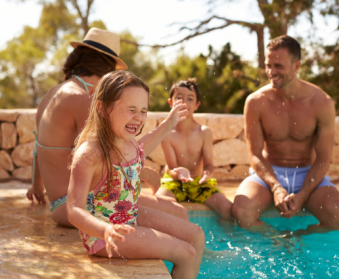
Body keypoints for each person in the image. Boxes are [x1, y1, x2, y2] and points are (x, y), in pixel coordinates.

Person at [26, 28, 188, 227]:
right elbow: (120, 154)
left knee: (170, 205)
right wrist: (168, 125)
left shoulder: (51, 94)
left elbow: (37, 151)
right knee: (177, 211)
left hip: (60, 204)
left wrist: (36, 186)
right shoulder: (83, 99)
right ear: (109, 70)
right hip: (83, 205)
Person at [67, 71, 204, 279]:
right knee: (187, 254)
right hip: (107, 235)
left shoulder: (128, 142)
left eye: (143, 110)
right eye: (131, 109)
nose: (138, 118)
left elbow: (144, 145)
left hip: (129, 216)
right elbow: (74, 209)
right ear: (103, 108)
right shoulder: (90, 154)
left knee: (196, 235)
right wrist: (105, 231)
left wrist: (170, 122)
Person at [232, 35, 339, 233]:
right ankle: (279, 239)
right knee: (242, 213)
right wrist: (276, 187)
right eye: (268, 65)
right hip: (269, 173)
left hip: (308, 173)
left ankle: (300, 236)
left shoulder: (322, 103)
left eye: (278, 66)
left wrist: (303, 194)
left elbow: (323, 158)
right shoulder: (256, 102)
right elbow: (255, 154)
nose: (271, 72)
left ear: (296, 66)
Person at [156, 78, 232, 220]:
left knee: (227, 209)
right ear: (170, 103)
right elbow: (172, 169)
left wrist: (207, 173)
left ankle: (228, 239)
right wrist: (178, 174)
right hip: (174, 183)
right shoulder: (167, 134)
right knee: (159, 208)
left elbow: (209, 166)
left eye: (190, 99)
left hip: (199, 183)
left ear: (197, 105)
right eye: (179, 98)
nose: (184, 102)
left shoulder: (204, 132)